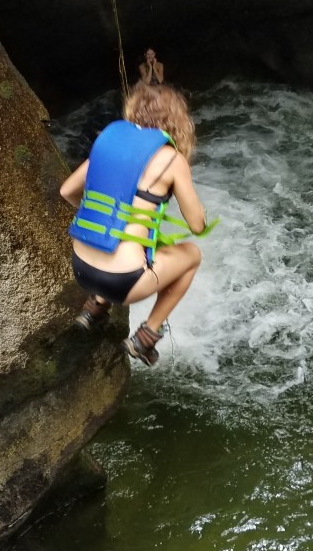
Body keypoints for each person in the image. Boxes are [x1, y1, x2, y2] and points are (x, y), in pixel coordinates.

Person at [59, 83, 215, 367]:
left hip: (80, 268)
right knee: (191, 255)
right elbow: (196, 224)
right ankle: (146, 337)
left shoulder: (109, 143)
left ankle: (94, 307)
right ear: (178, 120)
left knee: (130, 240)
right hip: (122, 282)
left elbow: (67, 191)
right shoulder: (171, 159)